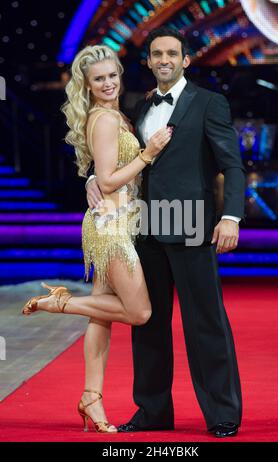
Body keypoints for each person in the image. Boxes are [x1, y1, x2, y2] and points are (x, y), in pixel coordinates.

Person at [86, 28, 246, 438]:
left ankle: (222, 414)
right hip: (144, 228)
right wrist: (92, 177)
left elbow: (233, 165)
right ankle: (153, 411)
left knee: (204, 323)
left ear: (186, 60)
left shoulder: (210, 103)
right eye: (156, 54)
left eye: (172, 53)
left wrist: (231, 217)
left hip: (192, 225)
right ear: (149, 61)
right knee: (149, 326)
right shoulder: (138, 107)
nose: (164, 60)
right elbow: (120, 158)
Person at [22, 44, 172, 433]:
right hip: (112, 229)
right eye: (98, 79)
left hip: (121, 222)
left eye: (112, 75)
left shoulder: (116, 114)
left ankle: (91, 397)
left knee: (102, 316)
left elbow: (99, 174)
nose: (108, 83)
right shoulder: (104, 119)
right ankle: (60, 303)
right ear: (87, 86)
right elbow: (107, 181)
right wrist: (148, 154)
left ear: (120, 76)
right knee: (139, 313)